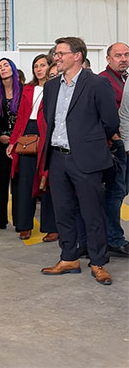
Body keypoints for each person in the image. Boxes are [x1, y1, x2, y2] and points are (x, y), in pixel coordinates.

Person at [40, 37, 117, 286]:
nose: (56, 57)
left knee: (92, 212)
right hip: (58, 158)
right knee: (63, 211)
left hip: (87, 159)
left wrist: (89, 143)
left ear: (78, 55)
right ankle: (69, 258)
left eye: (61, 53)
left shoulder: (97, 84)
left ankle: (97, 262)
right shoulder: (51, 87)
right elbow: (48, 119)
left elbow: (110, 123)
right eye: (56, 53)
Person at [7, 54, 58, 242]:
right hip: (27, 134)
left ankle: (51, 227)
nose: (38, 69)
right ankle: (24, 225)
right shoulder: (28, 88)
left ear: (49, 66)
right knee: (26, 182)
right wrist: (13, 142)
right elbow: (20, 117)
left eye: (42, 65)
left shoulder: (56, 87)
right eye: (36, 65)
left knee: (47, 182)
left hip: (48, 135)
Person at [99, 42, 129, 257]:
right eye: (118, 55)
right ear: (108, 59)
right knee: (115, 193)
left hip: (125, 144)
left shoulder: (125, 79)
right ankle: (114, 239)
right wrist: (116, 141)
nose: (123, 59)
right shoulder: (103, 80)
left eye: (126, 55)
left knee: (121, 192)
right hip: (116, 147)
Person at [0, 58, 21, 231]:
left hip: (19, 145)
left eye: (6, 65)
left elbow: (26, 118)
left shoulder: (23, 90)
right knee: (0, 185)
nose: (3, 68)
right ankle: (1, 220)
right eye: (0, 67)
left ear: (13, 69)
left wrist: (16, 138)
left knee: (18, 185)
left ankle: (19, 220)